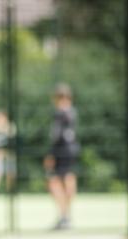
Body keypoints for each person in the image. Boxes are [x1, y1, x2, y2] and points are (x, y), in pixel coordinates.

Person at [43, 83, 79, 230]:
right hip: (72, 150)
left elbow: (56, 136)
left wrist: (51, 154)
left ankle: (64, 216)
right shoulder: (72, 112)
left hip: (61, 151)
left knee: (53, 182)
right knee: (69, 179)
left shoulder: (59, 113)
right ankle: (66, 216)